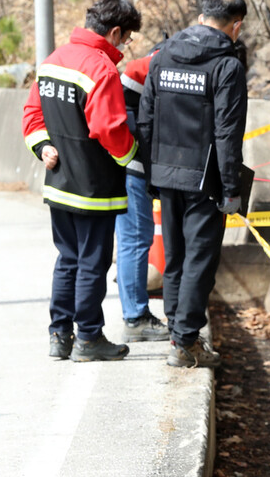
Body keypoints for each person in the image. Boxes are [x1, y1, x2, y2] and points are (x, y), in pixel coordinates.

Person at [22, 0, 142, 361]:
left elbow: (32, 115)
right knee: (92, 262)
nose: (125, 46)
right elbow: (110, 129)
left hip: (59, 184)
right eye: (126, 39)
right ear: (115, 31)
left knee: (68, 259)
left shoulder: (53, 61)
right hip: (94, 187)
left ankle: (60, 335)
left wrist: (43, 148)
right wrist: (133, 157)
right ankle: (89, 337)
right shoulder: (101, 68)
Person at [139, 0, 248, 368]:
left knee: (176, 256)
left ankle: (179, 333)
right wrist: (231, 188)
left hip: (165, 172)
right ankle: (185, 342)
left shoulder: (163, 55)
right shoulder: (227, 66)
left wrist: (150, 170)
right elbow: (227, 133)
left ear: (201, 17)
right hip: (204, 178)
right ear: (236, 26)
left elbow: (146, 118)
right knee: (200, 259)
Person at [115, 48, 168, 342]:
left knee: (133, 239)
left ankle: (135, 313)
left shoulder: (156, 62)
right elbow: (119, 111)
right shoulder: (146, 68)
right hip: (133, 166)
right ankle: (135, 316)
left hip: (133, 163)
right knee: (135, 239)